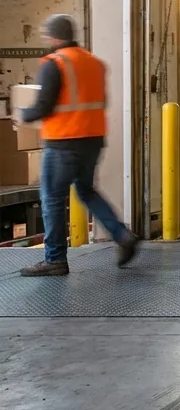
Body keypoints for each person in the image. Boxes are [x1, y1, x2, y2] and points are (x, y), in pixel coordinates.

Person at [17, 14, 139, 276]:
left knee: (52, 198)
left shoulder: (55, 63)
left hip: (63, 141)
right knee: (85, 190)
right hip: (93, 139)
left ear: (55, 36)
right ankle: (121, 234)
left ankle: (55, 259)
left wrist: (22, 115)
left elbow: (44, 106)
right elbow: (100, 101)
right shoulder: (93, 63)